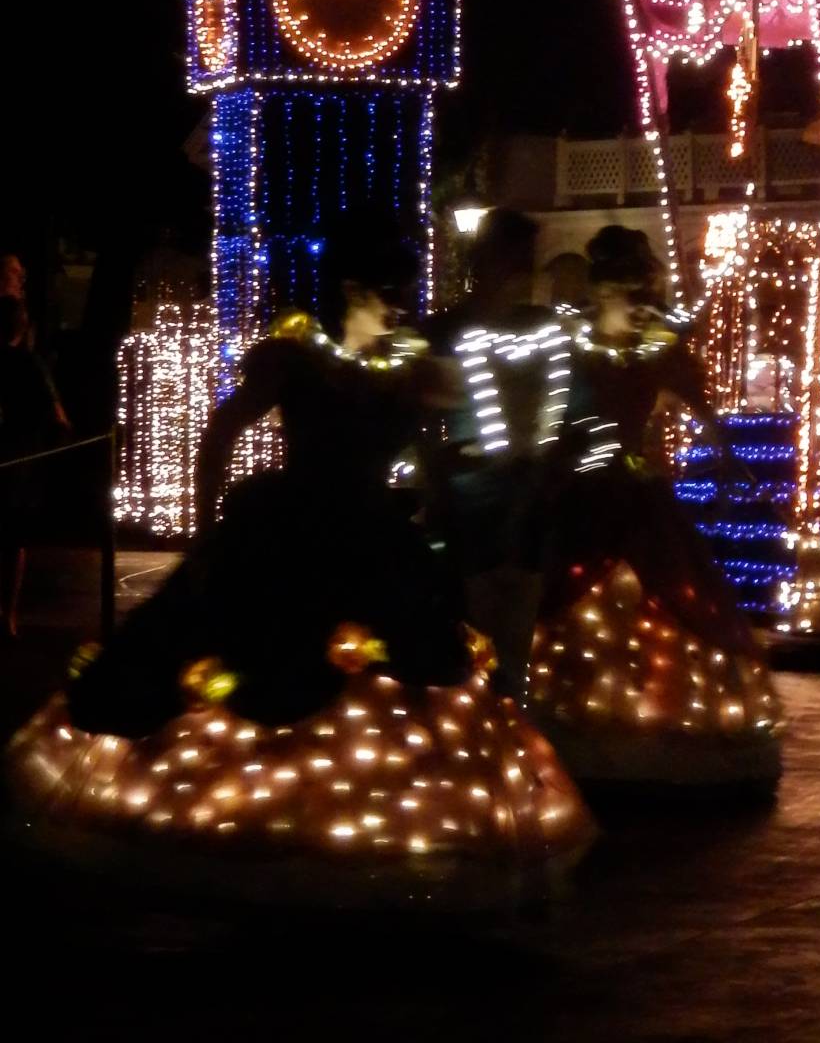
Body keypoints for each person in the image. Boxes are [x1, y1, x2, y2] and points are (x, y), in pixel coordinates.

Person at [4, 217, 594, 901]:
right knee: (266, 671)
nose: (404, 300)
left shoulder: (409, 367)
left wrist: (449, 510)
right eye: (390, 288)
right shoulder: (299, 354)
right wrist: (203, 533)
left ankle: (356, 842)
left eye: (407, 286)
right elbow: (222, 433)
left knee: (398, 687)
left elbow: (432, 456)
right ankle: (260, 836)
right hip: (293, 534)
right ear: (351, 288)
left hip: (376, 540)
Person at [526, 224, 783, 790]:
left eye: (645, 289)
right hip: (583, 493)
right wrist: (547, 466)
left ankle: (648, 718)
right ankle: (575, 717)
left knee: (667, 600)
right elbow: (549, 423)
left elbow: (705, 416)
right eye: (629, 289)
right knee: (572, 606)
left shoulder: (661, 352)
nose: (641, 302)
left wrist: (735, 467)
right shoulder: (570, 348)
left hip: (636, 494)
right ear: (602, 290)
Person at [428, 210, 577, 701]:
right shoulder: (446, 332)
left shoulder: (544, 330)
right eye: (509, 260)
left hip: (529, 499)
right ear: (483, 261)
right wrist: (440, 474)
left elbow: (562, 409)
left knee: (517, 637)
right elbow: (420, 419)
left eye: (525, 262)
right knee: (466, 632)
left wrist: (547, 470)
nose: (519, 273)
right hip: (467, 503)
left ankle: (511, 729)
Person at [0, 293, 70, 639]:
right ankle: (7, 615)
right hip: (17, 466)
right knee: (12, 543)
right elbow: (59, 420)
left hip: (15, 464)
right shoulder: (29, 365)